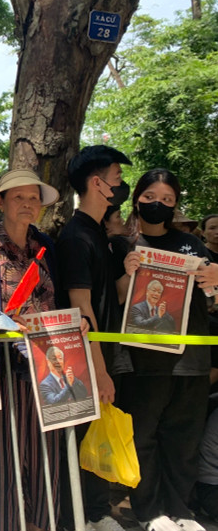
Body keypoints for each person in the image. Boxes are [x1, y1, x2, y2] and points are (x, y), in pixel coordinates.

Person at [112, 168, 212, 531]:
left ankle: (182, 512)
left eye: (167, 200)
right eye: (151, 198)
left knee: (184, 439)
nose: (158, 205)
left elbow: (211, 294)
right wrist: (126, 272)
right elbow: (119, 296)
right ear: (137, 198)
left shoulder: (192, 245)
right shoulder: (121, 244)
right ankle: (150, 511)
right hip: (143, 359)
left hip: (190, 360)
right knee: (144, 436)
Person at [0, 168, 64, 531]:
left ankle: (42, 525)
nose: (27, 204)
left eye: (33, 198)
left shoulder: (46, 248)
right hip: (4, 370)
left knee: (47, 458)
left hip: (50, 367)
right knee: (6, 460)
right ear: (1, 202)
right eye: (18, 197)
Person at [55, 145, 132, 531]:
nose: (121, 185)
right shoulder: (75, 238)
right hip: (84, 364)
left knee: (98, 439)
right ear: (97, 184)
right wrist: (99, 371)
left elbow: (113, 296)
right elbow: (80, 307)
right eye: (117, 178)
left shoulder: (100, 235)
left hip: (107, 356)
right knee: (84, 440)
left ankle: (98, 512)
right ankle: (82, 517)